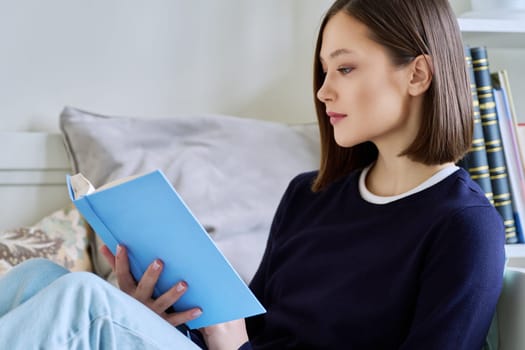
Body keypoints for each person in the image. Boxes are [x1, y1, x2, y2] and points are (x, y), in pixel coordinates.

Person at [0, 0, 506, 349]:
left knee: (83, 299)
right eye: (324, 72)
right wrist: (159, 317)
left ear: (417, 73)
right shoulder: (309, 196)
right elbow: (256, 330)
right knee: (36, 277)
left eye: (345, 69)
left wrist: (232, 344)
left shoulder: (463, 225)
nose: (324, 91)